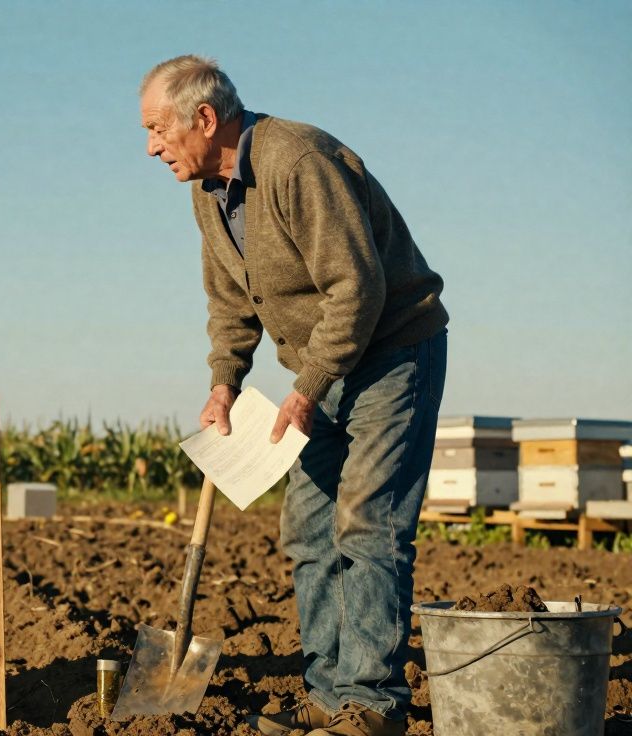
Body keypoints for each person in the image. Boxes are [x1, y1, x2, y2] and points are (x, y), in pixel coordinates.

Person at [139, 56, 448, 736]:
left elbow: (356, 287)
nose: (151, 146)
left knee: (368, 527)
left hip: (392, 355)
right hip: (325, 368)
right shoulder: (210, 192)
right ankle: (326, 695)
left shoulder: (296, 161)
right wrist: (224, 384)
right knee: (309, 529)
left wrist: (306, 389)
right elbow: (229, 303)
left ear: (205, 119)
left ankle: (370, 705)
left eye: (159, 129)